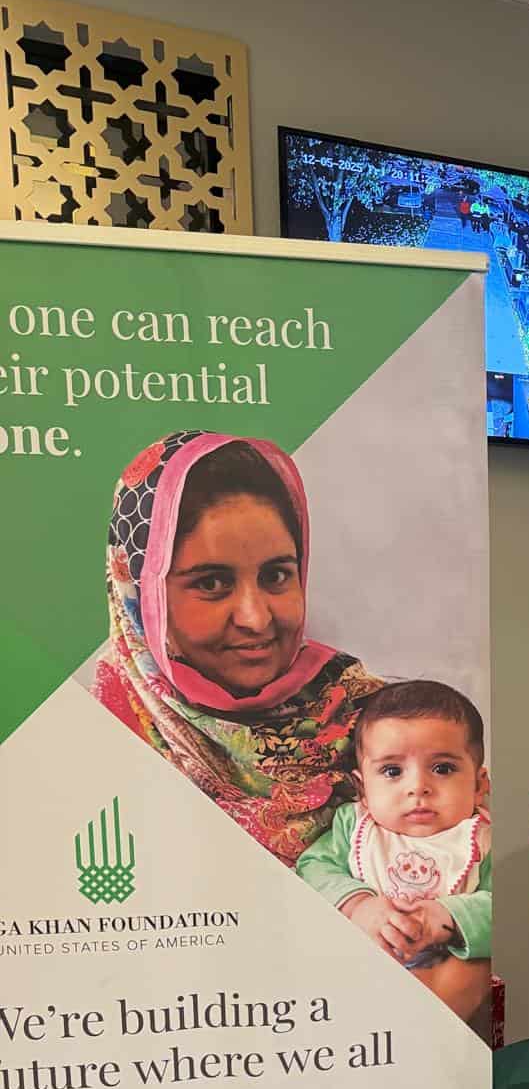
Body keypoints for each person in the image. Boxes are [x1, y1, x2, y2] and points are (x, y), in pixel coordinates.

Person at [93, 431, 489, 1024]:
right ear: (143, 591)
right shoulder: (98, 740)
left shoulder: (380, 720)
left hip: (394, 1040)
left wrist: (452, 976)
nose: (256, 617)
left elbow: (478, 890)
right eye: (211, 582)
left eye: (277, 575)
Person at [296, 680, 491, 970]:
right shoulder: (355, 827)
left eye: (442, 768)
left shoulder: (484, 839)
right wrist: (359, 904)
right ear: (362, 789)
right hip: (357, 968)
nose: (418, 787)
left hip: (446, 978)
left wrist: (448, 917)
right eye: (392, 771)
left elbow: (508, 909)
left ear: (479, 785)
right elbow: (312, 867)